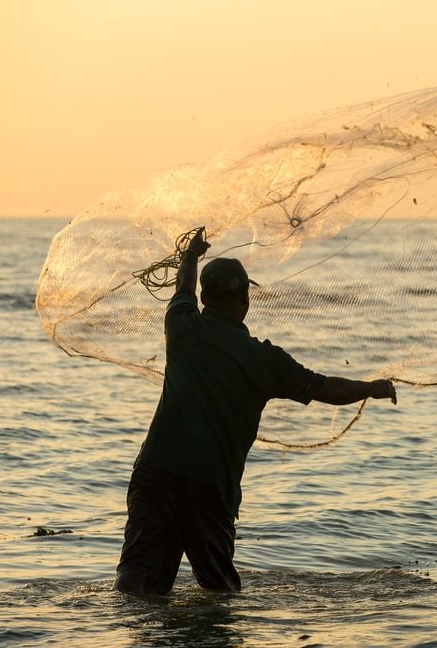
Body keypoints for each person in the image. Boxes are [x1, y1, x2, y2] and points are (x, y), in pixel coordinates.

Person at [114, 227, 396, 595]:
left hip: (156, 473)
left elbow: (182, 286)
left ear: (204, 297)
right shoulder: (264, 360)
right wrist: (371, 388)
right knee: (219, 590)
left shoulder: (180, 325)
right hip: (209, 486)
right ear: (245, 300)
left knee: (137, 579)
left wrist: (192, 253)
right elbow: (324, 387)